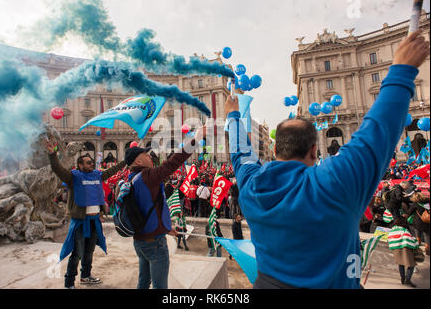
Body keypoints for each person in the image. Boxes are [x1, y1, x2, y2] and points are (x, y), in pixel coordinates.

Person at [224, 30, 429, 289]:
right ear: (313, 150)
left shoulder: (252, 185)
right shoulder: (334, 182)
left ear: (275, 149)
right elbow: (376, 133)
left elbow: (240, 153)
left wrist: (232, 116)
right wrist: (401, 69)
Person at [122, 126, 206, 289]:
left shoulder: (131, 179)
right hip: (155, 244)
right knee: (160, 286)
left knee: (143, 283)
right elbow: (172, 163)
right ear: (138, 161)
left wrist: (165, 228)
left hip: (140, 241)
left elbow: (145, 209)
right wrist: (195, 141)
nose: (150, 156)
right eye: (146, 155)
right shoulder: (147, 176)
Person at [45, 141, 126, 289]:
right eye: (88, 163)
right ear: (80, 165)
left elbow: (112, 170)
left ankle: (85, 276)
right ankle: (69, 282)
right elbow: (57, 169)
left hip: (94, 221)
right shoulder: (73, 178)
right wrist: (52, 154)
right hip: (80, 222)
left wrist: (126, 161)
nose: (91, 165)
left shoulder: (97, 175)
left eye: (92, 162)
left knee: (89, 252)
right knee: (77, 253)